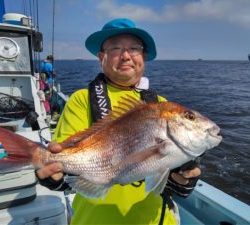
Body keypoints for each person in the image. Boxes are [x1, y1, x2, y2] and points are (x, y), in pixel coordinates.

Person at [36, 18, 201, 225]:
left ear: (143, 56)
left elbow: (162, 172)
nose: (126, 56)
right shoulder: (81, 99)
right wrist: (58, 178)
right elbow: (69, 162)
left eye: (134, 48)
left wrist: (183, 178)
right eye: (115, 49)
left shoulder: (161, 105)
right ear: (101, 57)